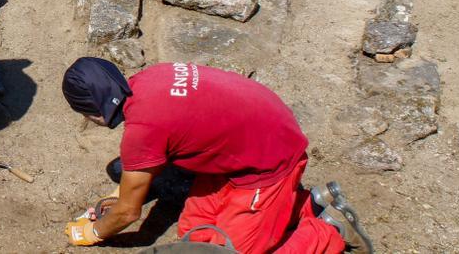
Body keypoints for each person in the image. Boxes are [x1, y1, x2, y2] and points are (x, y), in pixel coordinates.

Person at [61, 58, 373, 253]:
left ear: (92, 112)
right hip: (248, 142)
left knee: (232, 251)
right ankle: (309, 203)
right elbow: (148, 161)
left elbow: (129, 213)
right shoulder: (150, 79)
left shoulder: (142, 131)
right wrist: (118, 196)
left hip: (270, 160)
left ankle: (328, 232)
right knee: (197, 237)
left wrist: (93, 231)